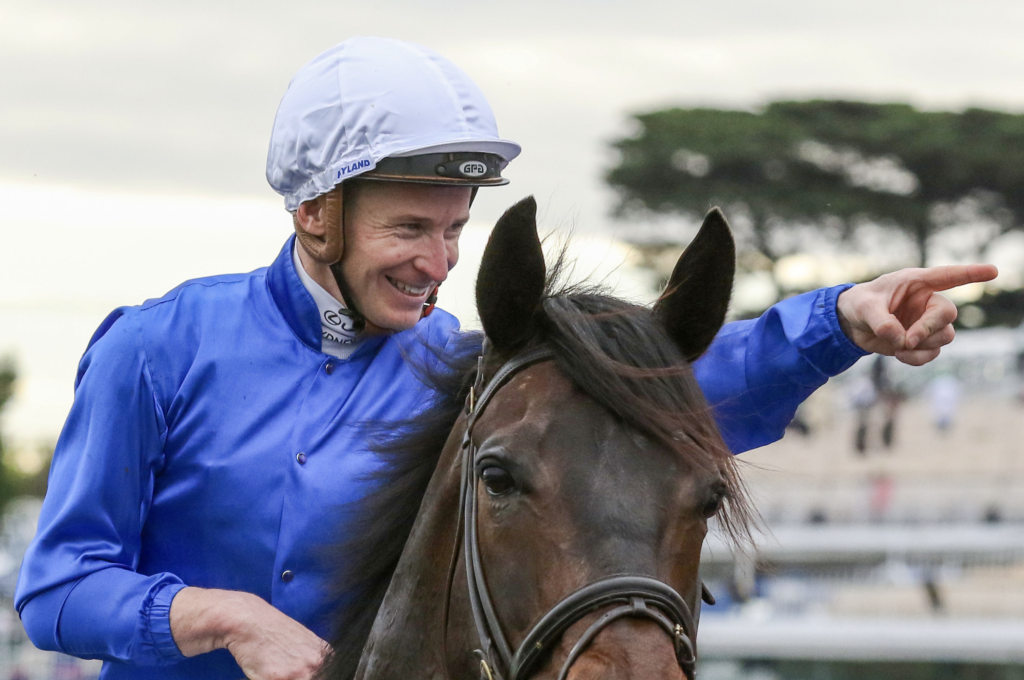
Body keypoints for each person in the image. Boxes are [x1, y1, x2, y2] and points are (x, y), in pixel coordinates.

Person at [13, 37, 997, 680]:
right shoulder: (155, 347)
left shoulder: (459, 369)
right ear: (315, 212)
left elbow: (662, 391)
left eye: (454, 230)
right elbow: (59, 589)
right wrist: (226, 617)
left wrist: (838, 321)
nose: (438, 263)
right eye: (410, 228)